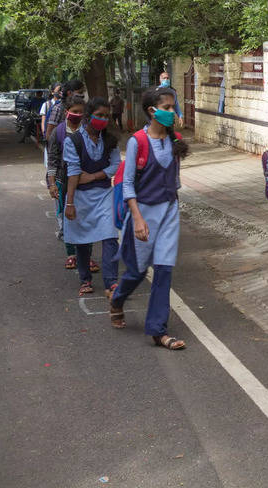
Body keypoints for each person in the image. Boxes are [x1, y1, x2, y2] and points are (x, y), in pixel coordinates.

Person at [109, 87, 190, 350]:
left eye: (172, 107)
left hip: (168, 212)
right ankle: (117, 299)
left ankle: (158, 331)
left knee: (164, 270)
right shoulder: (137, 142)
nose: (172, 113)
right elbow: (128, 183)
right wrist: (137, 219)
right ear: (152, 111)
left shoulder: (174, 140)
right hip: (143, 212)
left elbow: (174, 179)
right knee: (137, 270)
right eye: (167, 108)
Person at [62, 96, 122, 296]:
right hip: (80, 197)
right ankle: (85, 279)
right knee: (82, 240)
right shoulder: (74, 141)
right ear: (88, 116)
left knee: (110, 236)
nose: (103, 119)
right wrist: (69, 203)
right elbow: (73, 172)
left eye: (106, 116)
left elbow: (114, 165)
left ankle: (111, 282)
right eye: (99, 115)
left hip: (104, 193)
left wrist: (93, 176)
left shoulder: (111, 140)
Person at [47, 96, 99, 272]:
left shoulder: (89, 131)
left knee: (86, 218)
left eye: (81, 112)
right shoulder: (58, 132)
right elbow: (52, 160)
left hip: (84, 182)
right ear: (66, 112)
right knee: (66, 217)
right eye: (75, 111)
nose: (78, 114)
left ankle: (87, 256)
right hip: (63, 181)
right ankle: (71, 254)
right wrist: (52, 184)